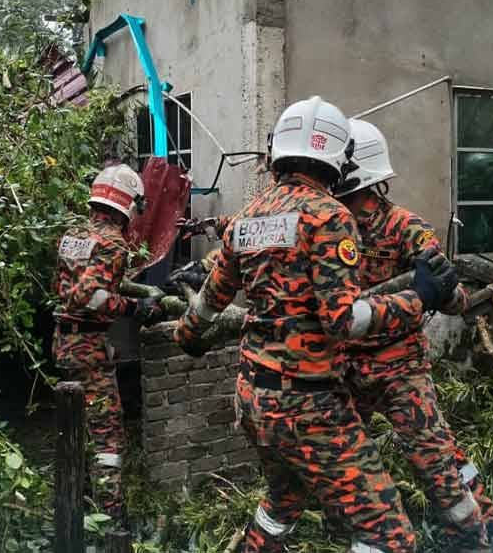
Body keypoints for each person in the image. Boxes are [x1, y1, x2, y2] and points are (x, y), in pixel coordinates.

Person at [173, 97, 459, 553]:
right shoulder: (330, 216)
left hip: (252, 402)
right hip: (309, 407)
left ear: (276, 155)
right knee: (388, 535)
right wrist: (419, 297)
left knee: (282, 503)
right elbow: (343, 320)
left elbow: (208, 303)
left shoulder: (246, 220)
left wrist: (185, 335)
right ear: (338, 161)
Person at [335, 119, 493, 553]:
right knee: (346, 461)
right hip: (344, 367)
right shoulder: (325, 226)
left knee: (436, 457)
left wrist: (447, 286)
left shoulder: (405, 227)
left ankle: (481, 530)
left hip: (401, 369)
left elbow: (453, 300)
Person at [52, 163, 166, 520]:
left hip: (64, 344)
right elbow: (87, 296)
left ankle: (75, 501)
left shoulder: (73, 234)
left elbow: (65, 289)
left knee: (76, 424)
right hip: (88, 348)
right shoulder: (113, 243)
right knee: (108, 437)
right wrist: (135, 308)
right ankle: (111, 520)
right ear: (129, 204)